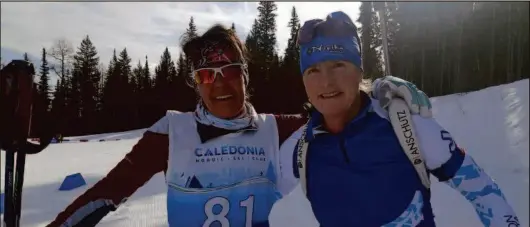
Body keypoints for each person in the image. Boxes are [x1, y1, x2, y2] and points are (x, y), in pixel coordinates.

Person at [46, 24, 432, 227]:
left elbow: (340, 110)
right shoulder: (170, 132)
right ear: (195, 83)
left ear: (246, 75)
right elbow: (102, 197)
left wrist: (377, 90)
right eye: (207, 75)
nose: (221, 84)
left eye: (230, 71)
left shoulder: (279, 128)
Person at [282, 11, 519, 227]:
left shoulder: (402, 123)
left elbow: (482, 191)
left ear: (359, 70)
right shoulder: (301, 147)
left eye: (338, 65)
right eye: (313, 70)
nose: (326, 82)